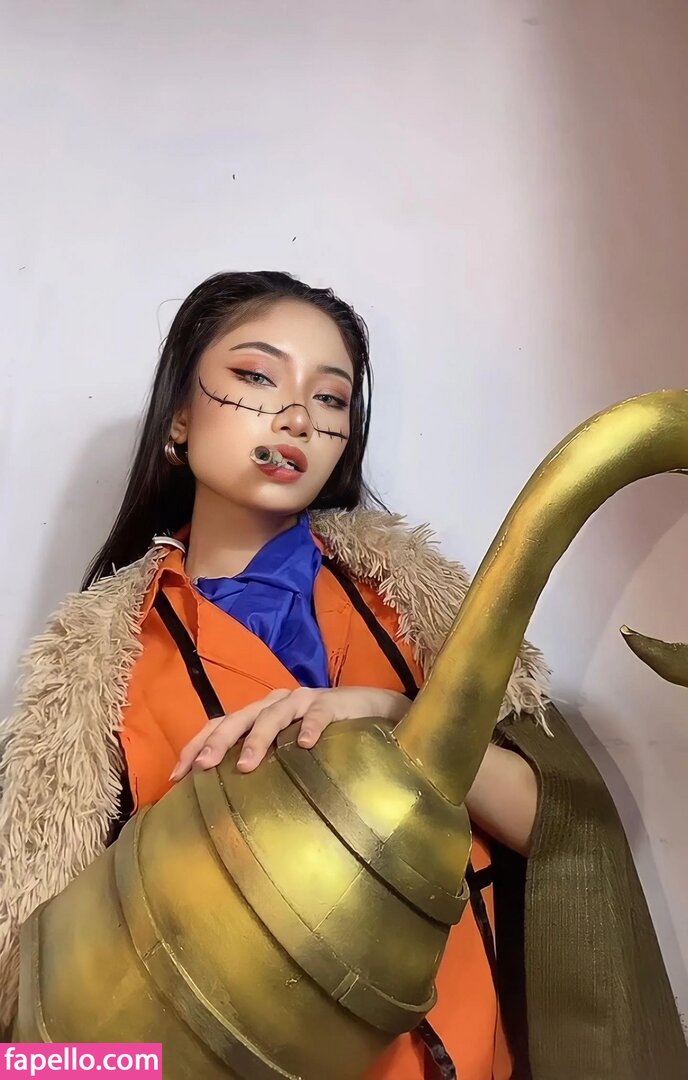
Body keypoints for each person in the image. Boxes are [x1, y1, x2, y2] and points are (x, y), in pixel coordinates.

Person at [0, 271, 685, 1079]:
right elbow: (52, 1022)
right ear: (179, 415)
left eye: (330, 398)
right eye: (257, 377)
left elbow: (562, 834)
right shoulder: (100, 663)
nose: (298, 416)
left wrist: (393, 713)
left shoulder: (415, 606)